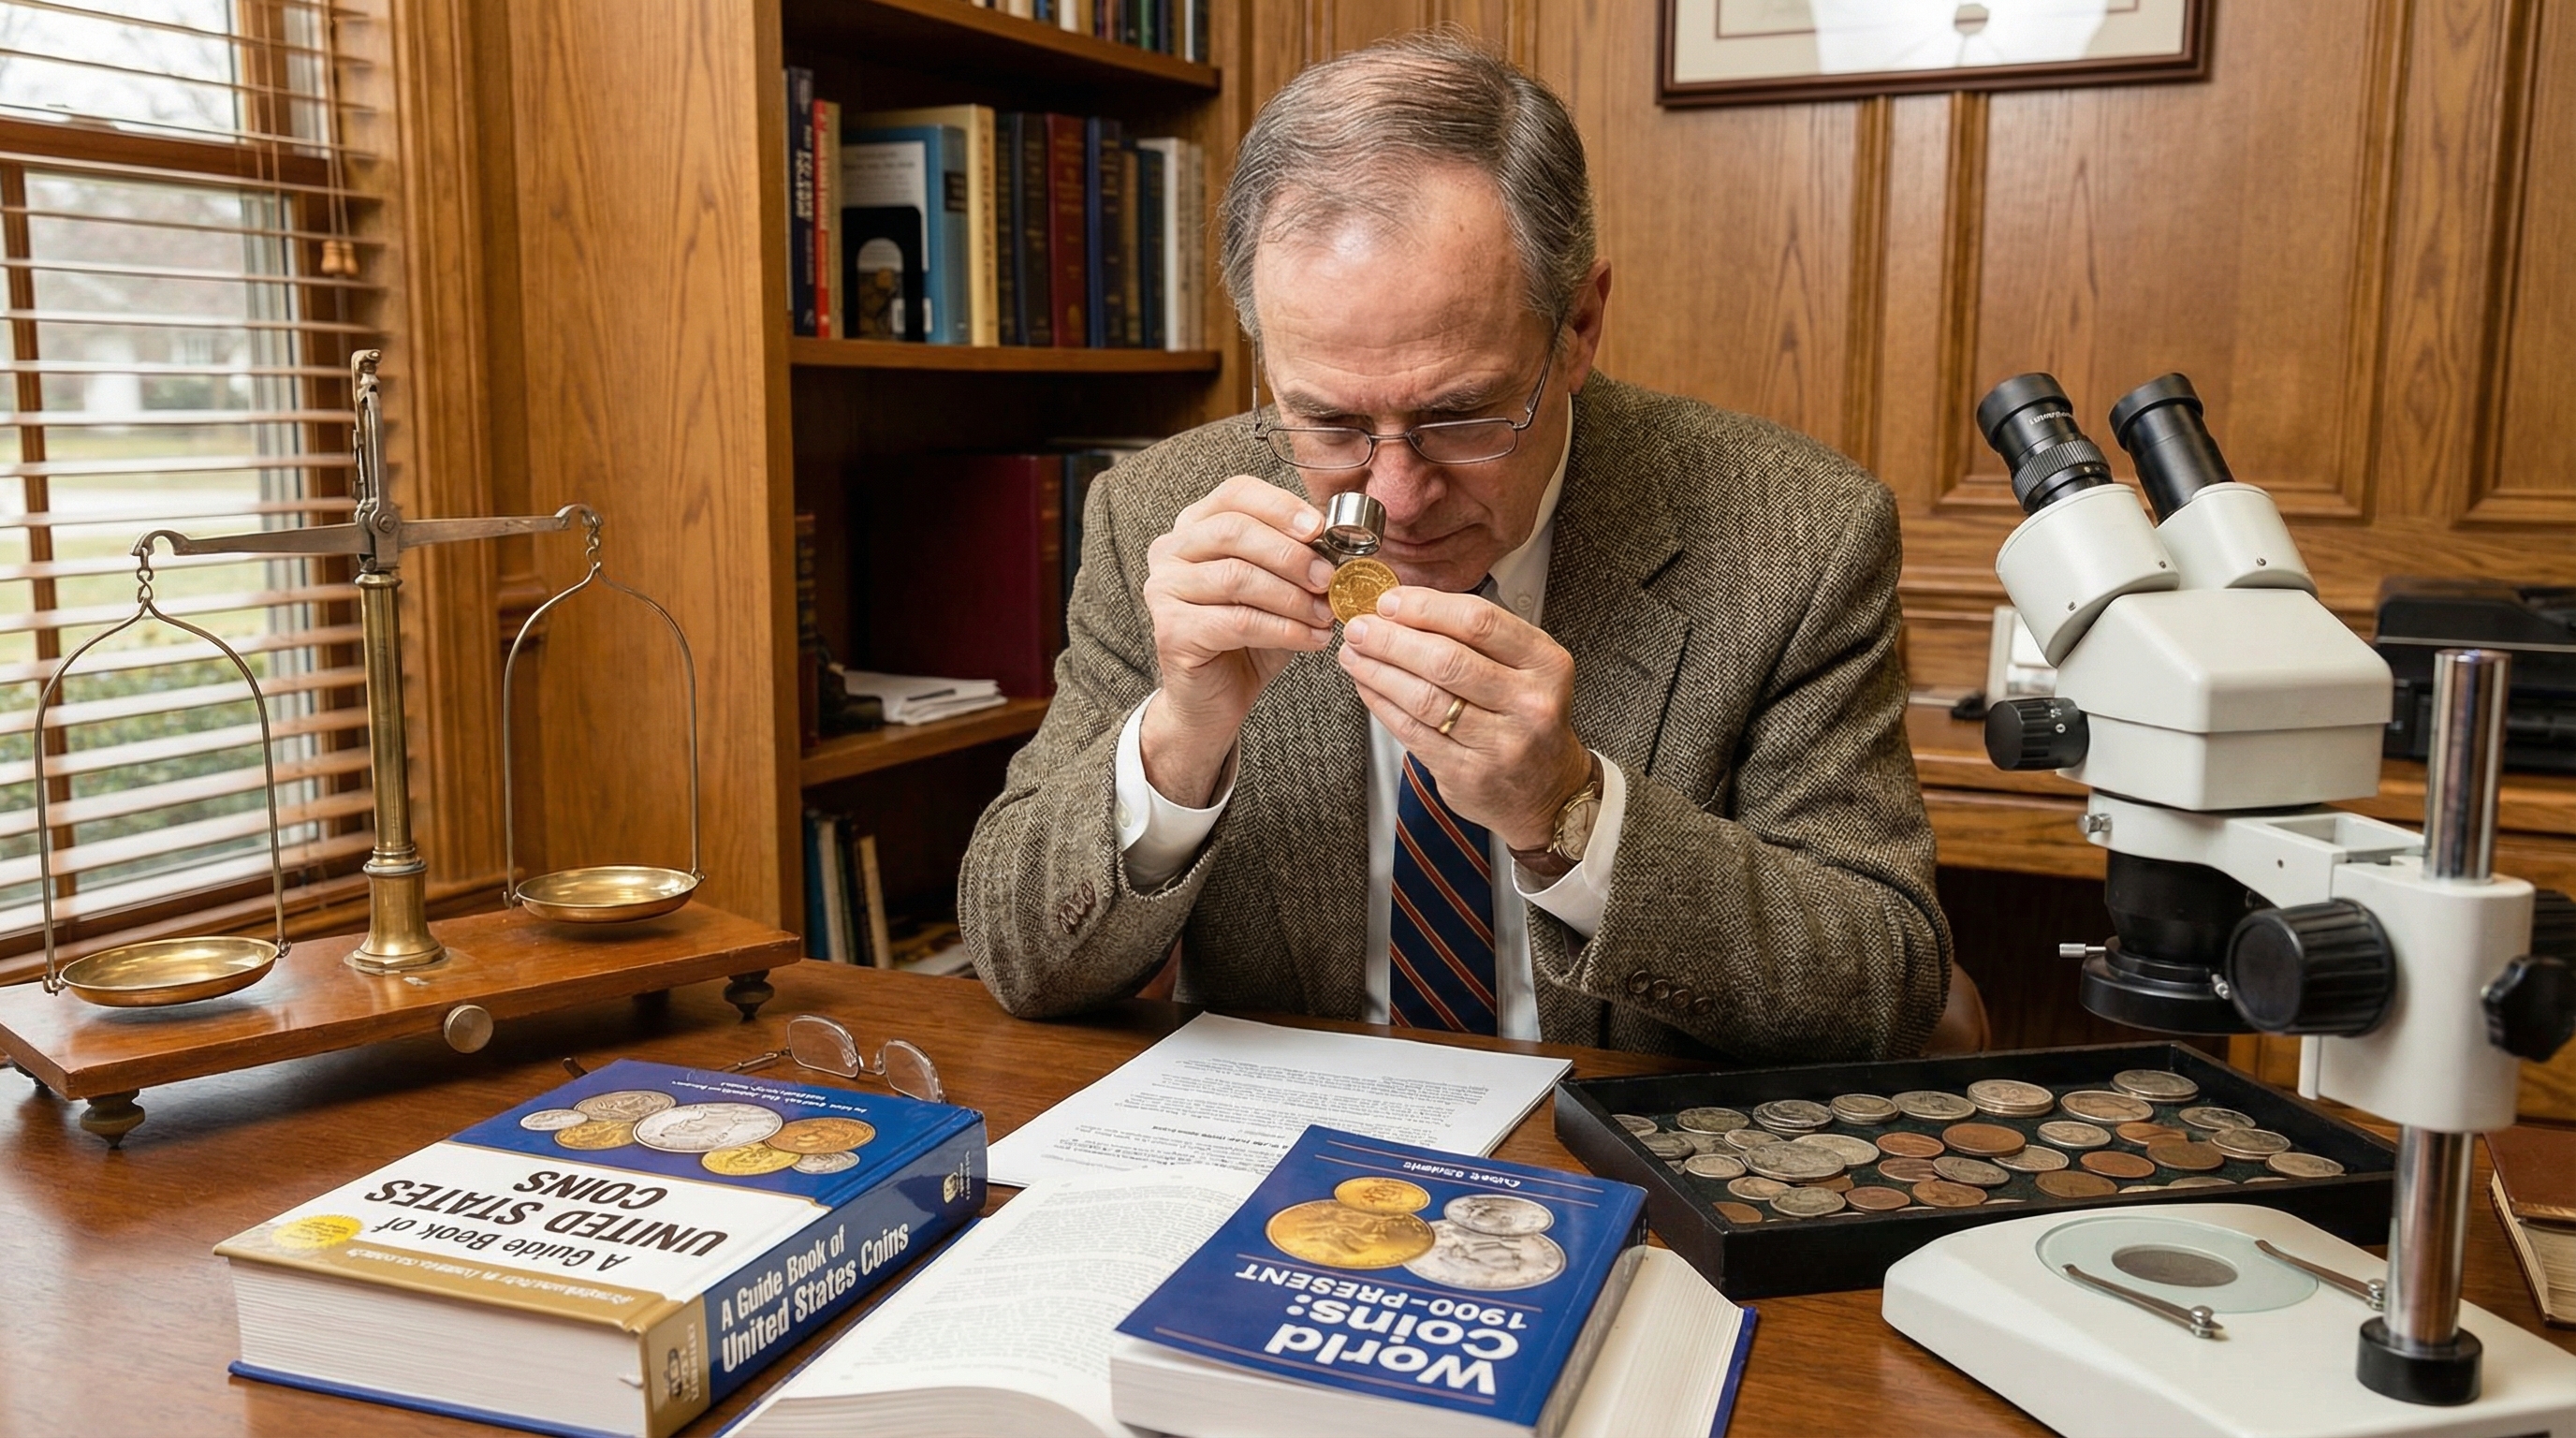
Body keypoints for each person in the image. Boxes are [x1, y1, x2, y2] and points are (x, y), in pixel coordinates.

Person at [959, 33, 1953, 1061]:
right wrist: (1177, 741)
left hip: (1616, 1154)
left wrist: (1567, 808)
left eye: (1462, 417)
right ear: (1269, 359)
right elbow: (1021, 957)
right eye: (1329, 422)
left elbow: (1884, 985)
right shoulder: (1158, 514)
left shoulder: (1799, 534)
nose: (1393, 499)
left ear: (1578, 326)